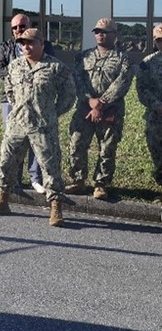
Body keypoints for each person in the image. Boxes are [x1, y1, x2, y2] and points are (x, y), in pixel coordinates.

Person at [0, 27, 75, 226]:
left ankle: (56, 208)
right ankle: (3, 200)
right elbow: (9, 88)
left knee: (50, 166)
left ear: (42, 44)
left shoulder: (56, 67)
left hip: (43, 126)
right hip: (17, 124)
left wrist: (52, 113)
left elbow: (68, 96)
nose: (26, 46)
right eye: (23, 43)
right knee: (7, 161)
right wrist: (18, 108)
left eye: (31, 43)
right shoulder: (15, 66)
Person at [64, 18, 133, 201]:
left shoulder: (123, 58)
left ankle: (101, 184)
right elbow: (77, 81)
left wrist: (101, 104)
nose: (99, 34)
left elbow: (122, 84)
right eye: (97, 31)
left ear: (114, 35)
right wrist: (90, 101)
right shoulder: (83, 57)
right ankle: (78, 181)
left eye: (104, 31)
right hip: (85, 109)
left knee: (107, 148)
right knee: (77, 143)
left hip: (110, 111)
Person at [0, 13, 44, 192]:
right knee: (14, 140)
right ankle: (14, 179)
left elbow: (48, 67)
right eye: (14, 28)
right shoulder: (5, 47)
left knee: (35, 140)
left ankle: (36, 179)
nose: (18, 30)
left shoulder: (43, 44)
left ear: (29, 25)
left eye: (22, 26)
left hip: (36, 101)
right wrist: (18, 76)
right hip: (10, 101)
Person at [135, 24, 162, 190]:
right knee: (157, 152)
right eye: (159, 40)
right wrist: (156, 105)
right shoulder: (147, 62)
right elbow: (142, 88)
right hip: (155, 116)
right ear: (155, 42)